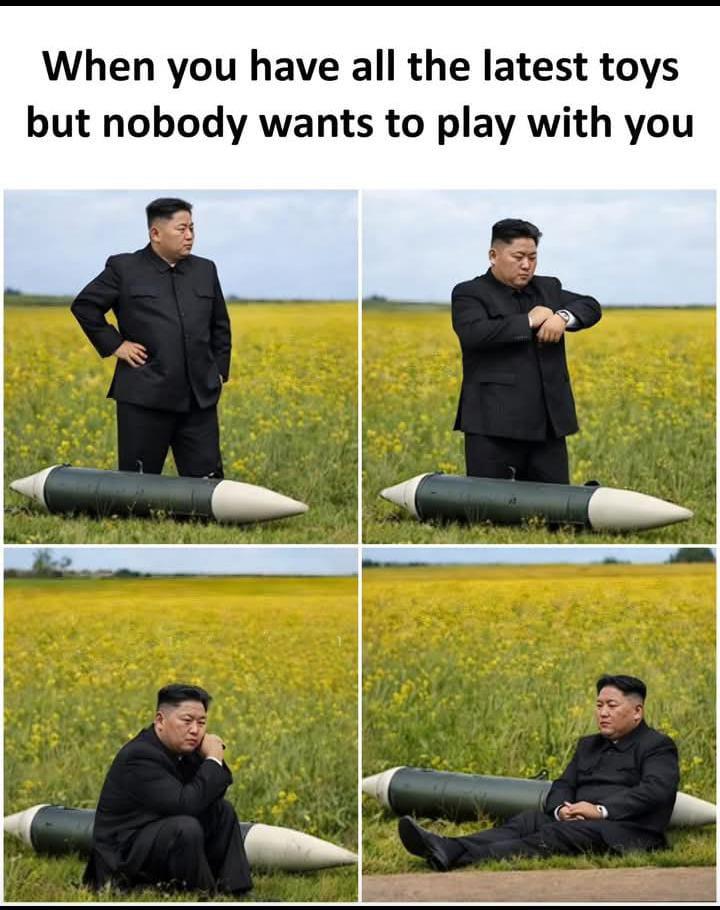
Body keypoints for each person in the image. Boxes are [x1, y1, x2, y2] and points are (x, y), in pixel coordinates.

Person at [398, 674, 680, 871]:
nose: (603, 713)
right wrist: (561, 809)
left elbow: (655, 790)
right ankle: (446, 845)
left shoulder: (657, 746)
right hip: (575, 818)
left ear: (637, 711)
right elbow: (564, 784)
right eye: (599, 705)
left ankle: (455, 853)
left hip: (624, 830)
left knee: (554, 835)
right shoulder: (588, 745)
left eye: (612, 706)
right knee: (527, 821)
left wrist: (598, 810)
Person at [71, 198, 231, 478]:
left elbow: (220, 325)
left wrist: (218, 371)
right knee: (138, 486)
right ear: (155, 233)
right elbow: (85, 306)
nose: (190, 235)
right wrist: (116, 344)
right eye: (181, 229)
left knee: (207, 485)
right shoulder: (124, 268)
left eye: (192, 228)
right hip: (144, 396)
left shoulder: (206, 269)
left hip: (199, 400)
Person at [451, 218, 602, 484]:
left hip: (547, 426)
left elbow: (590, 306)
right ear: (493, 256)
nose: (526, 265)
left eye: (532, 257)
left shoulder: (548, 288)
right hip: (492, 425)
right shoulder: (469, 293)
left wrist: (562, 317)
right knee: (489, 505)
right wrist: (529, 321)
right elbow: (474, 333)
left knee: (553, 507)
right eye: (518, 257)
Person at [83, 684, 252, 895]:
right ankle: (203, 894)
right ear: (160, 720)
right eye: (187, 721)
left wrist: (209, 759)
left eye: (201, 723)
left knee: (222, 811)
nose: (195, 730)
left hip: (155, 836)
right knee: (184, 827)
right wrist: (213, 759)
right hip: (124, 855)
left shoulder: (184, 747)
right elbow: (186, 805)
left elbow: (210, 795)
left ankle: (236, 891)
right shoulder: (140, 755)